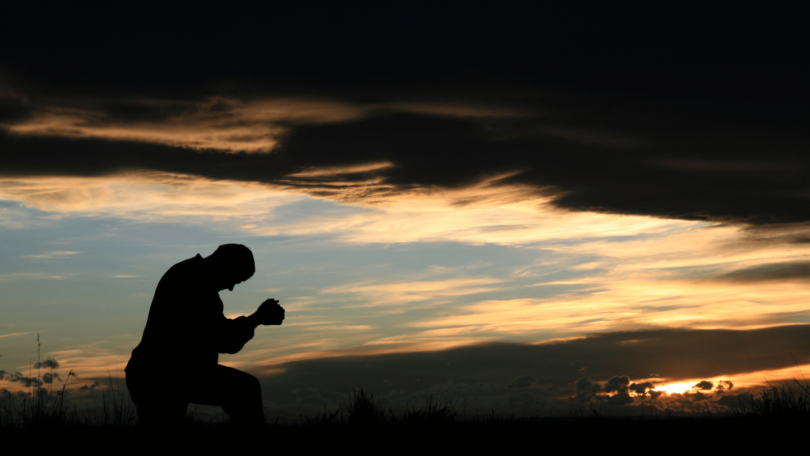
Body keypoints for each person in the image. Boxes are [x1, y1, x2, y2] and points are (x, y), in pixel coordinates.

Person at [125, 244, 285, 429]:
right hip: (162, 375)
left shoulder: (191, 276)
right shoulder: (194, 282)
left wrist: (254, 320)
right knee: (245, 389)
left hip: (159, 373)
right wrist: (256, 319)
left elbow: (219, 335)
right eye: (235, 278)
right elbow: (222, 339)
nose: (231, 287)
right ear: (225, 265)